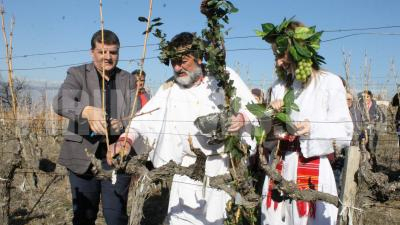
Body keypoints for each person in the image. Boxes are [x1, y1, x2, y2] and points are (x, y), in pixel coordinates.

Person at [108, 32, 257, 224]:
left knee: (218, 218)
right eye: (173, 62)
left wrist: (242, 118)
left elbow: (253, 108)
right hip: (187, 171)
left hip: (222, 166)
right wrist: (125, 140)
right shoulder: (170, 88)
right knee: (183, 219)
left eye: (183, 61)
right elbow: (144, 120)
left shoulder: (223, 76)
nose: (177, 67)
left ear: (199, 57)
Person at [257, 19, 353, 225]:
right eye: (275, 56)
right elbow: (269, 138)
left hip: (314, 168)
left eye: (280, 55)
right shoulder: (279, 87)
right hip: (280, 166)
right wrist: (269, 118)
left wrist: (312, 129)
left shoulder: (328, 82)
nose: (277, 63)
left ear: (297, 50)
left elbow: (346, 131)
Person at [53, 29, 136, 225]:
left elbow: (138, 113)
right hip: (82, 157)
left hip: (116, 156)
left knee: (115, 216)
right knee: (84, 215)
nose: (107, 57)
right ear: (92, 52)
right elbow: (60, 102)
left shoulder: (128, 79)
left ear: (118, 53)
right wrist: (86, 111)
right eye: (102, 52)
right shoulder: (77, 74)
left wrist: (122, 122)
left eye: (113, 52)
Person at [359, 90, 385, 165]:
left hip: (373, 131)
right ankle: (364, 165)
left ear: (371, 97)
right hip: (362, 131)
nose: (365, 98)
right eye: (364, 97)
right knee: (363, 148)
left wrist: (375, 121)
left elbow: (383, 117)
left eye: (367, 97)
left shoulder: (376, 106)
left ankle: (374, 164)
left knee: (371, 148)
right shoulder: (360, 106)